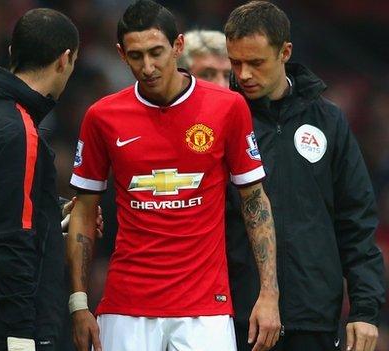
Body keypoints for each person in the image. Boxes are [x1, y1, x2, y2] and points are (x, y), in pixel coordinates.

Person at [66, 1, 281, 351]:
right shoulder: (102, 117)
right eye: (136, 56)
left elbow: (255, 200)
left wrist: (269, 295)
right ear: (121, 54)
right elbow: (84, 210)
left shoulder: (227, 107)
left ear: (178, 46)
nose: (148, 67)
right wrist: (79, 304)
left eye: (156, 52)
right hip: (126, 307)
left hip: (204, 309)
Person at [224, 2, 386, 351]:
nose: (244, 74)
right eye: (235, 63)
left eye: (256, 62)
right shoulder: (220, 121)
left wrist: (365, 310)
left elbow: (355, 221)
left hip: (313, 316)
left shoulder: (329, 121)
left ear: (285, 52)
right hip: (237, 316)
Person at [0, 8, 79, 351]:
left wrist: (55, 213)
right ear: (65, 60)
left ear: (12, 52)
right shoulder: (19, 130)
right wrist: (22, 336)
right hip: (12, 329)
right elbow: (13, 237)